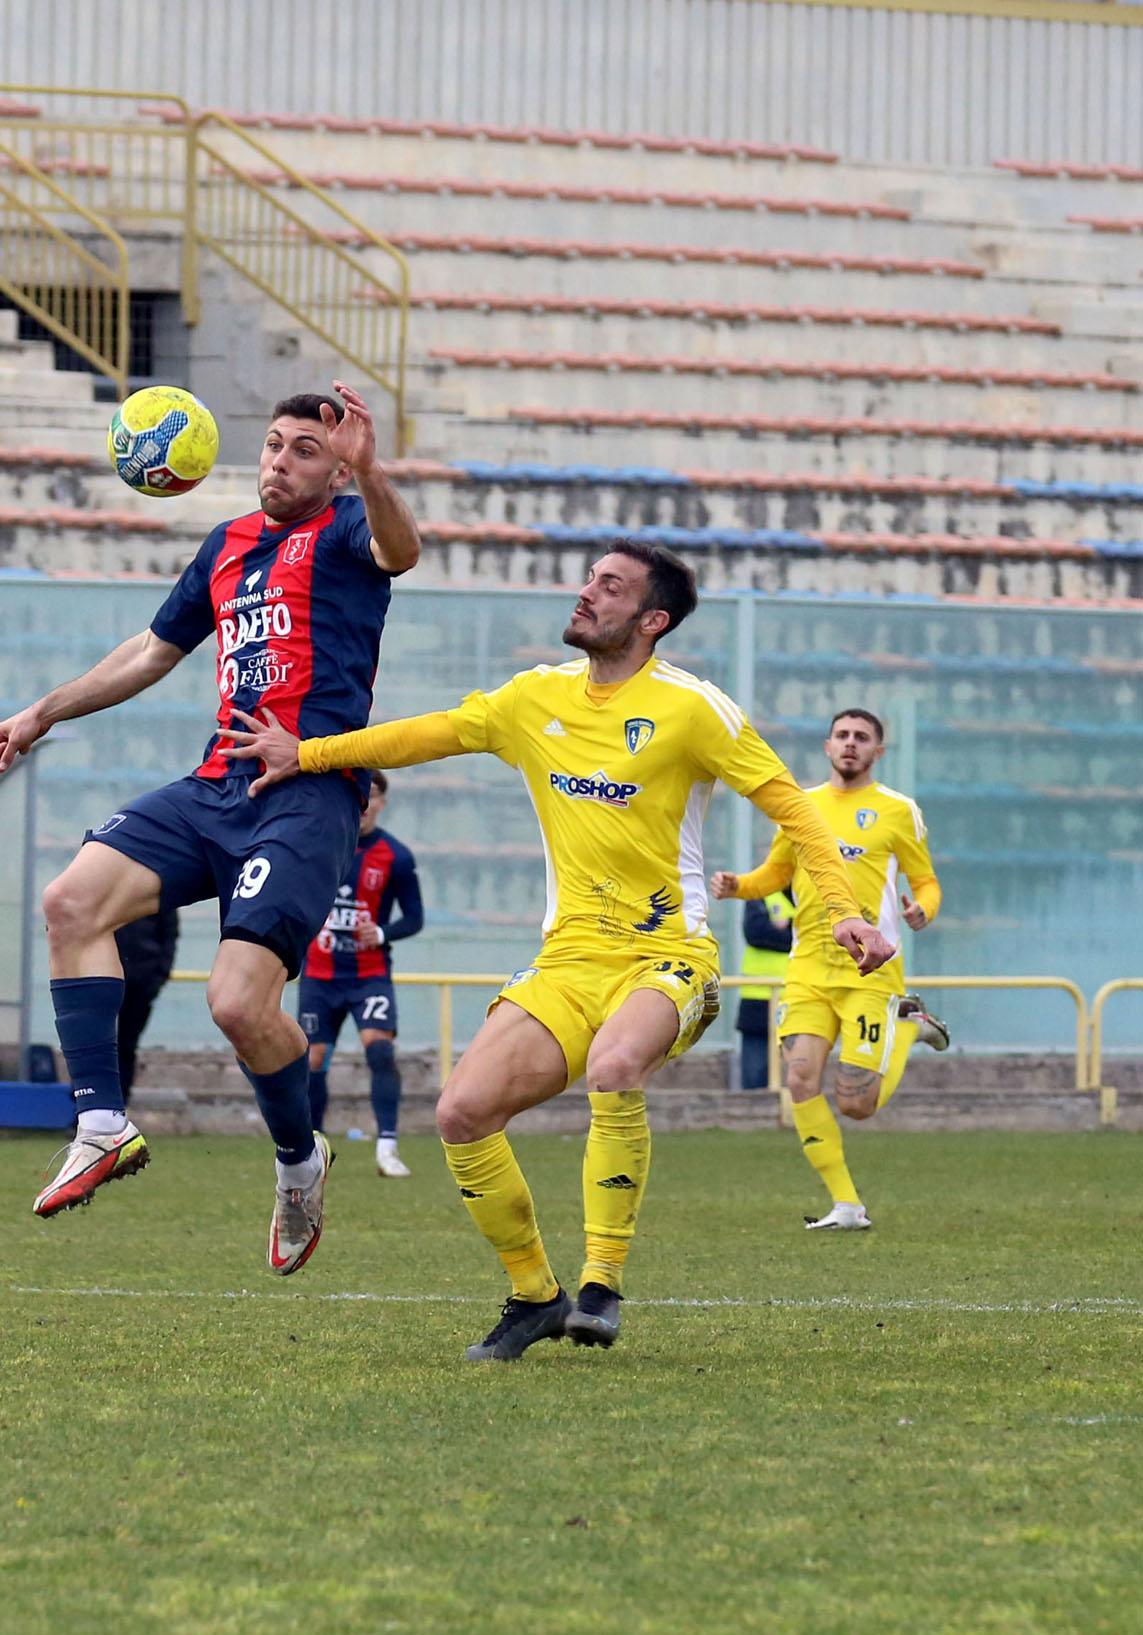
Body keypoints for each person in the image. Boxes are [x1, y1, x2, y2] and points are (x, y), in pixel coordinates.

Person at [268, 542, 894, 1361]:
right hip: (567, 958)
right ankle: (534, 1294)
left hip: (668, 954)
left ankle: (601, 1284)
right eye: (589, 577)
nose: (586, 591)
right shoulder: (535, 696)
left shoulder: (693, 708)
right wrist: (306, 753)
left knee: (614, 1063)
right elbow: (430, 733)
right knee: (459, 1112)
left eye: (610, 585)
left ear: (651, 619)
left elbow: (795, 810)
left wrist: (843, 911)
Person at [0, 383, 420, 1278]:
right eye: (272, 444)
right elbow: (152, 651)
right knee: (70, 902)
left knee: (236, 1005)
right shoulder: (225, 544)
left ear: (336, 468)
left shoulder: (347, 526)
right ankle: (101, 1124)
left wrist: (371, 472)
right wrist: (43, 710)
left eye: (305, 449)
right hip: (215, 784)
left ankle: (298, 1161)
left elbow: (400, 550)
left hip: (306, 794)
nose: (280, 461)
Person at [715, 708, 946, 1231]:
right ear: (827, 746)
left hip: (870, 971)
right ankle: (847, 1205)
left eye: (861, 737)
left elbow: (926, 881)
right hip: (808, 970)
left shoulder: (898, 810)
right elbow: (777, 872)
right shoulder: (801, 807)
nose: (850, 743)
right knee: (799, 1079)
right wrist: (739, 886)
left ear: (878, 752)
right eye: (842, 735)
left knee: (857, 1104)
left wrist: (922, 910)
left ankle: (910, 1026)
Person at [298, 771, 423, 1178]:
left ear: (382, 802)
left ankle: (387, 1147)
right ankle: (310, 1151)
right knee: (313, 1058)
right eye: (360, 794)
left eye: (373, 795)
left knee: (380, 1051)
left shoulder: (396, 856)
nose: (365, 804)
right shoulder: (320, 843)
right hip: (320, 975)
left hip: (369, 975)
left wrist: (382, 932)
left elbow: (415, 918)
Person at [111, 907, 178, 1097]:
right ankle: (88, 1101)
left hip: (141, 980)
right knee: (93, 1042)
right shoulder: (101, 891)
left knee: (126, 1044)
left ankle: (120, 1101)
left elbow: (170, 935)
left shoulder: (159, 893)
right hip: (104, 976)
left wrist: (159, 975)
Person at [735, 885, 795, 1090]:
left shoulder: (812, 894)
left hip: (799, 998)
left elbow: (818, 935)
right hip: (758, 998)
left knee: (802, 1074)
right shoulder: (761, 892)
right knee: (755, 1075)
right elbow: (756, 932)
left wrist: (787, 926)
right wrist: (795, 931)